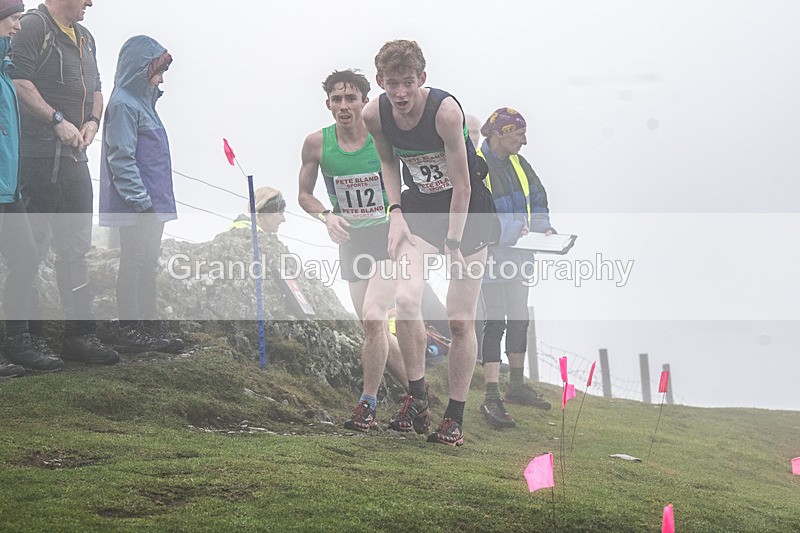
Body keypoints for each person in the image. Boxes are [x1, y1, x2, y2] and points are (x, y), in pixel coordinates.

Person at [363, 40, 497, 446]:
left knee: (459, 320)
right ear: (380, 82)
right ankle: (417, 396)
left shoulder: (445, 112)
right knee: (405, 299)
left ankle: (454, 418)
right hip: (419, 209)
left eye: (408, 83)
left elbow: (463, 184)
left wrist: (454, 243)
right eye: (392, 84)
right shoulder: (376, 113)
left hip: (468, 212)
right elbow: (388, 162)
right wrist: (395, 212)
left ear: (422, 79)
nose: (400, 93)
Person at [298, 69, 408, 432]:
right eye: (337, 99)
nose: (344, 106)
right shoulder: (317, 143)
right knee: (371, 326)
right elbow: (304, 194)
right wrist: (326, 216)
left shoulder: (382, 138)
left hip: (388, 236)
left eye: (351, 99)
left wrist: (401, 218)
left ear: (365, 100)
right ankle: (417, 394)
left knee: (377, 318)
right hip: (352, 240)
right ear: (328, 104)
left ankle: (367, 404)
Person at [11, 0, 118, 365]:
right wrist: (56, 119)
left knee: (76, 248)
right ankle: (30, 339)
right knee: (32, 250)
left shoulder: (85, 37)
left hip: (75, 157)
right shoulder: (32, 26)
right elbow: (18, 81)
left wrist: (91, 120)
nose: (91, 2)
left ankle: (79, 336)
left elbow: (99, 87)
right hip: (37, 158)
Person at [98, 35, 183, 354]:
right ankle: (131, 329)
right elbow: (120, 157)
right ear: (139, 68)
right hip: (138, 204)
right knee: (134, 262)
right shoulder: (123, 104)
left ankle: (147, 325)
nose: (161, 79)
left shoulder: (142, 103)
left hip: (151, 203)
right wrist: (141, 203)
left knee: (146, 263)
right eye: (157, 71)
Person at [476, 108, 555, 429]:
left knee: (519, 319)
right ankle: (491, 395)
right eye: (518, 134)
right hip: (490, 259)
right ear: (500, 134)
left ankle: (517, 387)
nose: (524, 140)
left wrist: (543, 229)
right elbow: (476, 215)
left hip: (520, 258)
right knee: (495, 322)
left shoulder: (521, 164)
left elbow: (538, 199)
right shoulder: (477, 167)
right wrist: (512, 230)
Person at [0, 0, 63, 377]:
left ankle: (17, 343)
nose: (18, 27)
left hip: (9, 191)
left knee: (26, 257)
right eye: (12, 19)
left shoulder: (5, 74)